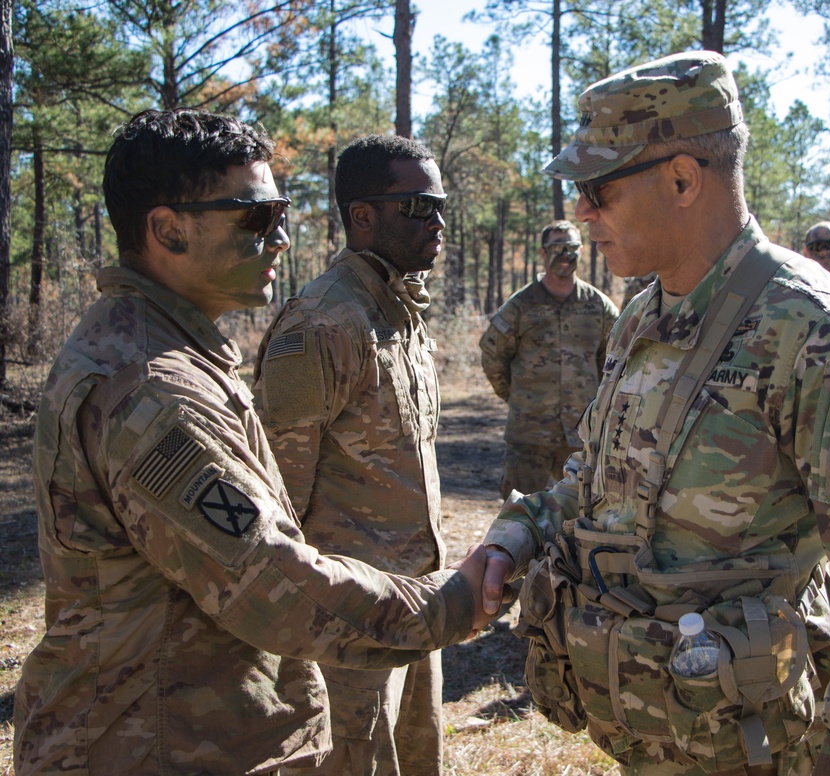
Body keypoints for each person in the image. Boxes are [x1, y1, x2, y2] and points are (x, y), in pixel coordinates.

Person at [478, 51, 830, 776]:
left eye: (597, 188)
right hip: (655, 737)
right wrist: (516, 536)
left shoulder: (816, 330)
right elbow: (599, 484)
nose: (580, 212)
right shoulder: (644, 314)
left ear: (680, 178)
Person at [14, 109, 490, 776]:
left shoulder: (171, 355)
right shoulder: (152, 388)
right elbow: (271, 580)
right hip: (155, 740)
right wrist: (450, 604)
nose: (283, 240)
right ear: (168, 230)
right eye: (256, 218)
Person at [252, 134, 449, 776]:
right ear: (362, 216)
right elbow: (275, 507)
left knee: (418, 757)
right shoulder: (323, 323)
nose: (439, 221)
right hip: (350, 625)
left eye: (442, 204)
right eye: (421, 206)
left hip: (419, 600)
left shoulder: (400, 309)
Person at [479, 219, 619, 498]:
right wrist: (519, 398)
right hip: (529, 437)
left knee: (582, 517)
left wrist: (598, 407)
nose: (565, 255)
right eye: (557, 248)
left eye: (572, 248)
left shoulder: (598, 306)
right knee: (519, 516)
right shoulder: (521, 305)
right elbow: (493, 356)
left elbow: (615, 362)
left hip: (582, 436)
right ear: (543, 253)